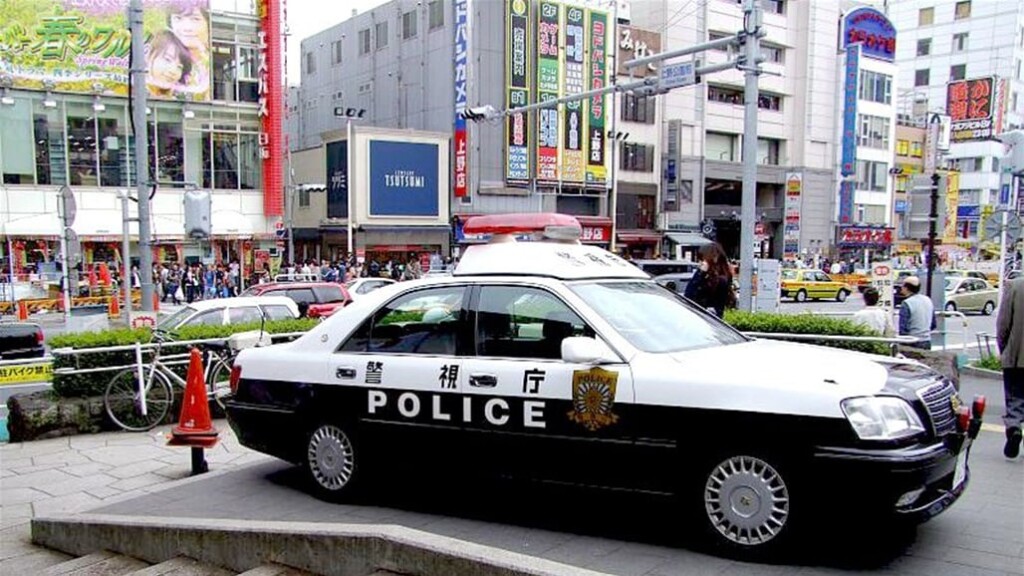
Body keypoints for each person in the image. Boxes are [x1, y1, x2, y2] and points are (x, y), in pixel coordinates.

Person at [996, 276, 1024, 459]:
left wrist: (1004, 348)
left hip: (1017, 354)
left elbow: (1003, 323)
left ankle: (1014, 427)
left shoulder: (1015, 286)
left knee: (1015, 396)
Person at [165, 5, 210, 100]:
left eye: (195, 19)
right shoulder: (162, 59)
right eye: (178, 18)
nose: (187, 28)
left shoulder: (208, 64)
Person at [684, 242, 735, 318]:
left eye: (702, 259)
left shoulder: (721, 279)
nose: (701, 262)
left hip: (708, 318)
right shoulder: (705, 275)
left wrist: (701, 273)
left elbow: (690, 295)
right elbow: (687, 295)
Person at [146, 31, 194, 98]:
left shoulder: (178, 102)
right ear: (150, 56)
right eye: (167, 60)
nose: (173, 71)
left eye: (179, 67)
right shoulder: (133, 92)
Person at [897, 276, 934, 349]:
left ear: (906, 288)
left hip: (911, 341)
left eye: (903, 285)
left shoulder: (907, 303)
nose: (901, 287)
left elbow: (903, 328)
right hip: (927, 340)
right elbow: (933, 324)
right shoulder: (928, 300)